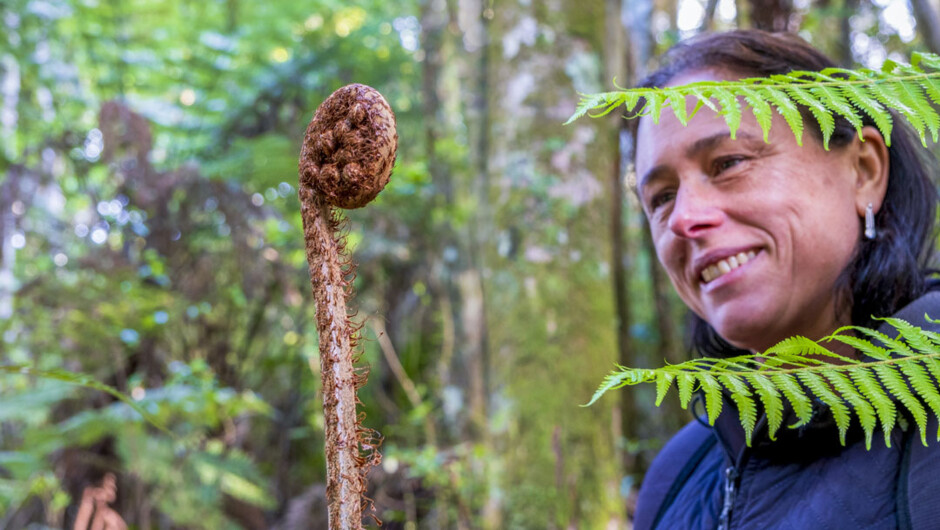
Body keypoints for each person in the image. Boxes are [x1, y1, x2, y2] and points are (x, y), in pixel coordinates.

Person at [630, 30, 940, 529]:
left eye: (729, 163)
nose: (685, 218)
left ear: (863, 171)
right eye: (662, 197)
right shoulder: (677, 477)